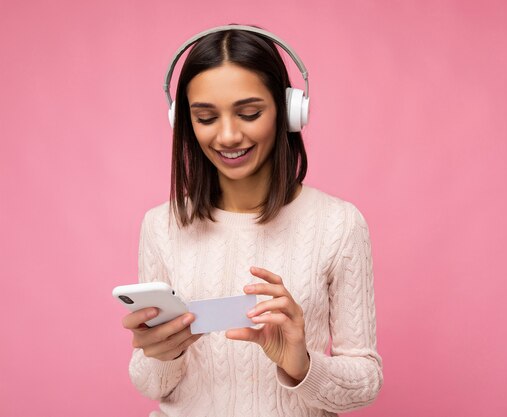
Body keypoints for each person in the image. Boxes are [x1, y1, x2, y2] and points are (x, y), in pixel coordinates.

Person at [121, 24, 383, 417]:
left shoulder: (338, 224)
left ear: (288, 111)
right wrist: (162, 354)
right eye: (206, 118)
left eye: (249, 113)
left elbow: (365, 382)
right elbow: (150, 384)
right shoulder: (162, 225)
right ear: (184, 123)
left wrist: (300, 363)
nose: (228, 136)